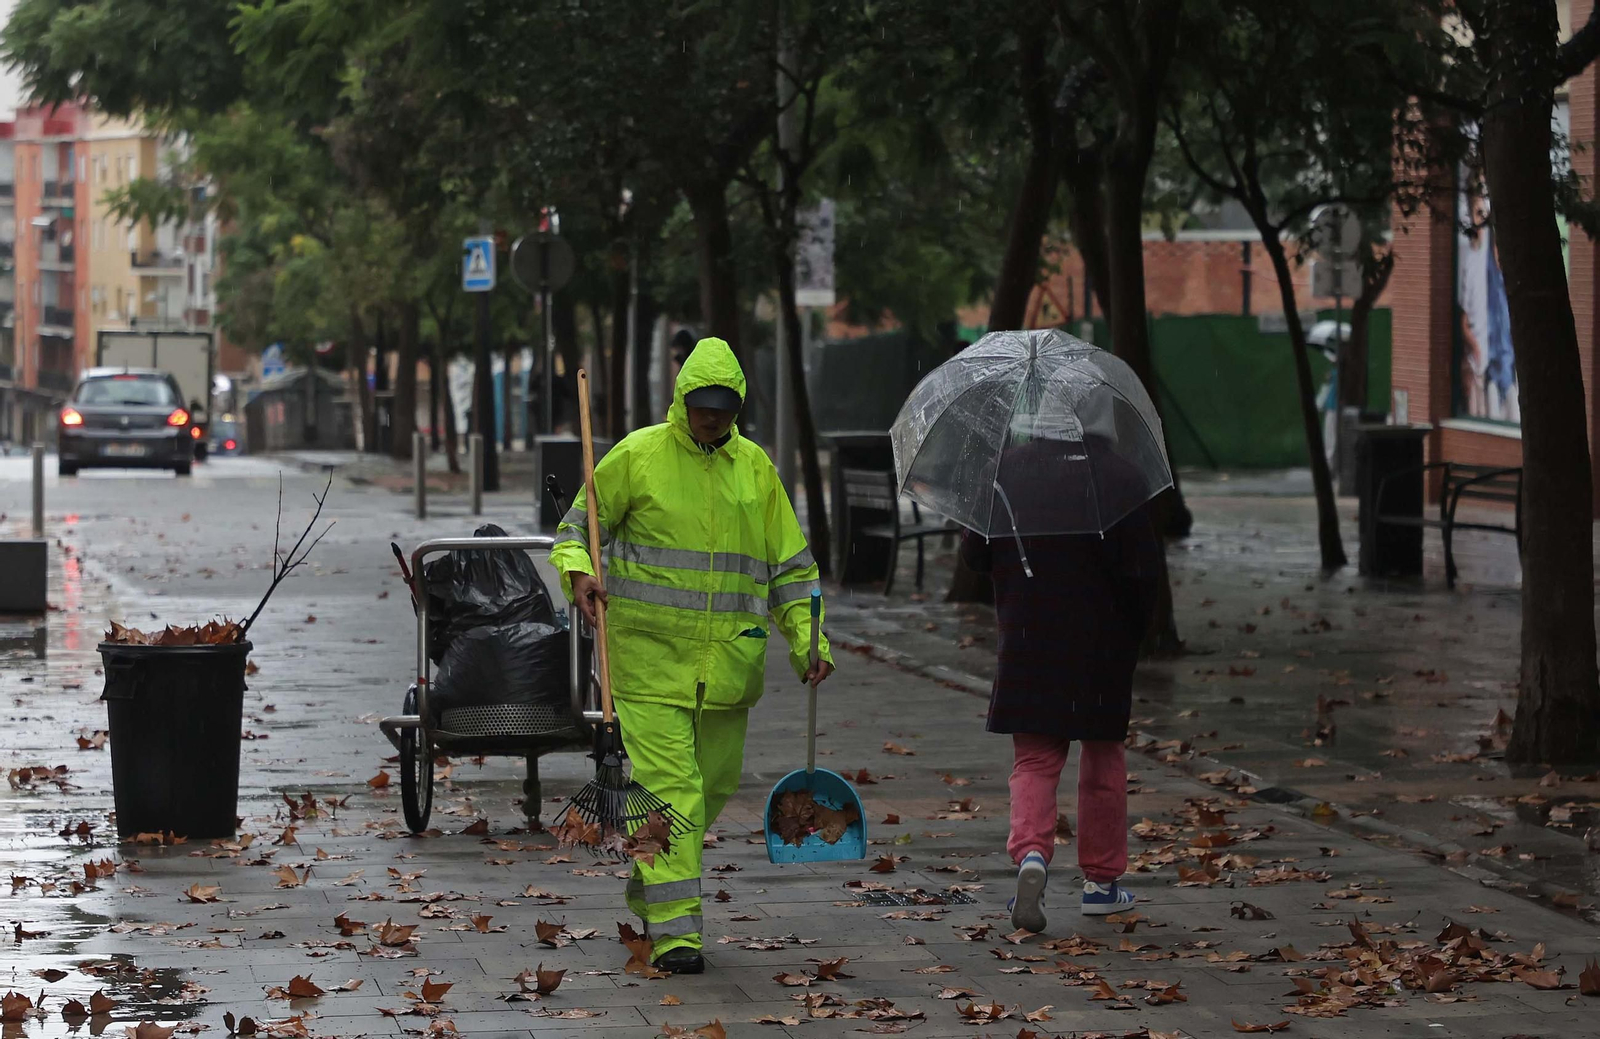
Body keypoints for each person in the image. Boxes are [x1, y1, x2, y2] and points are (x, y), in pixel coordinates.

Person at [548, 335, 834, 975]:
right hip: (646, 665)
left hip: (728, 671)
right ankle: (678, 939)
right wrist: (579, 574)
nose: (712, 417)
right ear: (682, 400)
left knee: (706, 792)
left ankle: (651, 893)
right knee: (675, 794)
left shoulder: (755, 470)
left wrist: (810, 642)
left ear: (738, 406)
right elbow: (576, 528)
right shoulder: (638, 456)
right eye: (702, 405)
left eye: (724, 407)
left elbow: (791, 570)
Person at [959, 441, 1161, 932]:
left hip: (1030, 637)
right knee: (1103, 760)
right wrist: (1135, 629)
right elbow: (1144, 571)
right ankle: (1102, 884)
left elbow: (973, 556)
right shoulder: (1120, 475)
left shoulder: (1005, 472)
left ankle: (1031, 855)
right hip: (1101, 639)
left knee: (1034, 760)